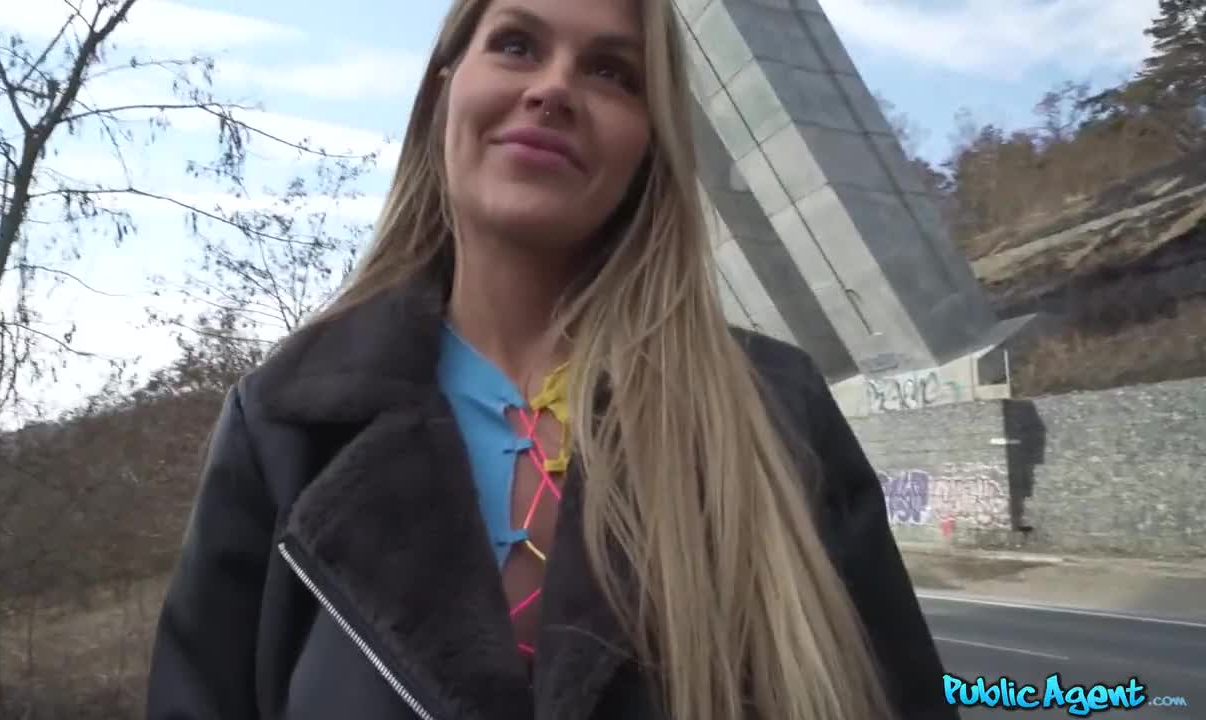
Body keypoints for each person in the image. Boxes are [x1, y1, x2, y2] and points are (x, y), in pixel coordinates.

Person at [145, 0, 957, 718]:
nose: (554, 89)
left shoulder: (777, 413)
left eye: (611, 72)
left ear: (651, 144)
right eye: (516, 46)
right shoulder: (286, 423)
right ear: (442, 91)